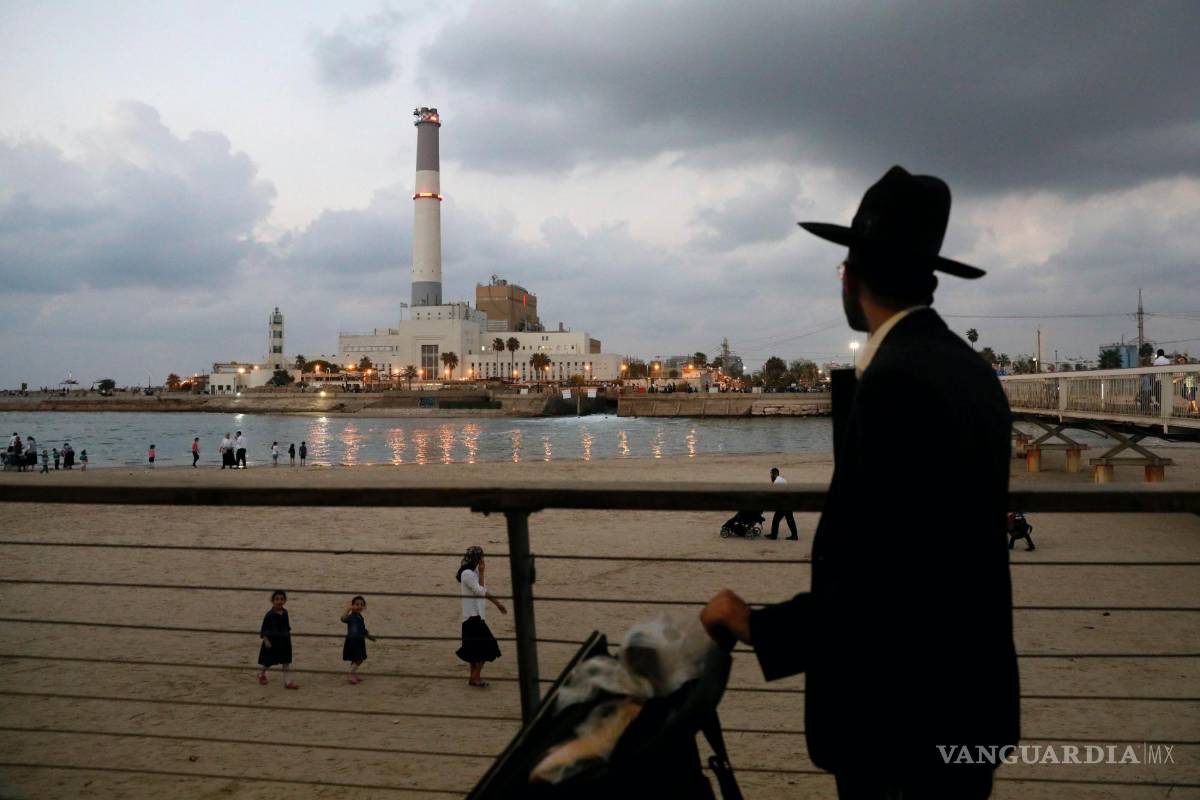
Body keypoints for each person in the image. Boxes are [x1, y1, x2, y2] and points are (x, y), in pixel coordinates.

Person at [701, 166, 1018, 799]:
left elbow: (884, 581)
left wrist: (756, 626)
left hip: (901, 720)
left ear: (851, 276)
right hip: (969, 697)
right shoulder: (971, 372)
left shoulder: (896, 383)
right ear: (931, 280)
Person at [455, 546, 507, 687]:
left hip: (473, 616)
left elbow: (480, 589)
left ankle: (473, 678)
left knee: (473, 651)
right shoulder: (468, 574)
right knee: (489, 646)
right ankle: (475, 676)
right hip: (473, 617)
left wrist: (482, 572)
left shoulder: (472, 572)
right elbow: (480, 591)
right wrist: (498, 604)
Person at [257, 589, 298, 689]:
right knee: (268, 662)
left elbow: (287, 627)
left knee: (286, 661)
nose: (279, 601)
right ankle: (261, 674)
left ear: (285, 600)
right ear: (272, 601)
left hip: (285, 642)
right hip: (272, 643)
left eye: (282, 599)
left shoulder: (285, 612)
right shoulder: (269, 615)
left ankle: (288, 682)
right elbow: (263, 630)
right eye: (277, 599)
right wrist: (266, 641)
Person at [341, 595, 377, 684]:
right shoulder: (351, 617)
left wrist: (369, 637)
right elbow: (343, 619)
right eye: (357, 604)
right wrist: (348, 609)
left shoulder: (360, 617)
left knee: (355, 659)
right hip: (353, 641)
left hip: (359, 641)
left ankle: (353, 674)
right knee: (359, 659)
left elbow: (363, 629)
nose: (359, 606)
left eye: (361, 604)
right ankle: (350, 674)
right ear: (352, 605)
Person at [764, 467, 798, 540]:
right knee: (789, 519)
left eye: (771, 474)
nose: (770, 476)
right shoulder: (782, 479)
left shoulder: (777, 481)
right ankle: (794, 535)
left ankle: (774, 535)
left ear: (774, 474)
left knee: (777, 519)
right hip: (788, 502)